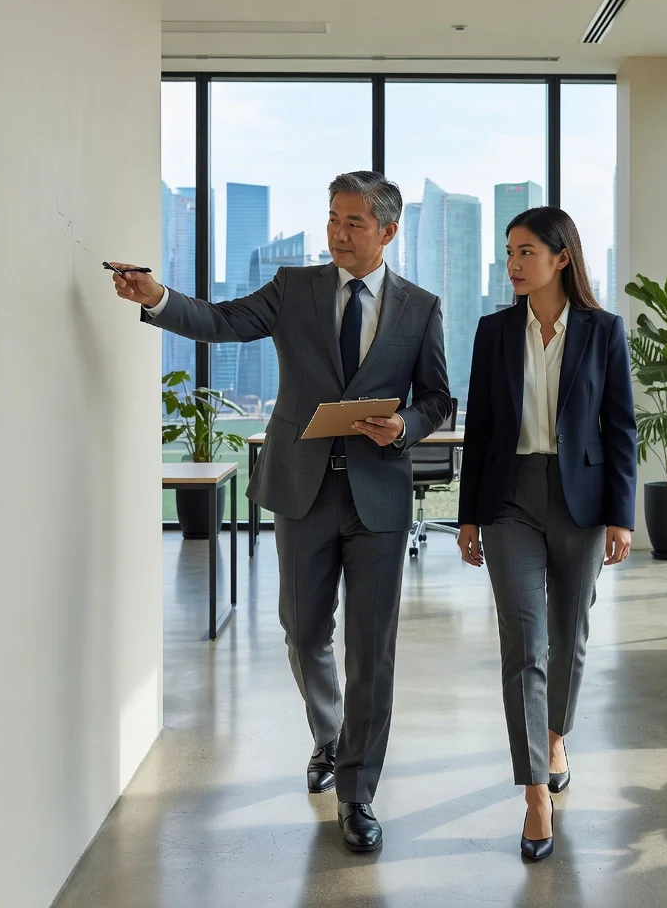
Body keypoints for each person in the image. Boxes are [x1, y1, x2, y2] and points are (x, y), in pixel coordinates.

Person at [111, 170, 452, 853]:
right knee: (302, 631)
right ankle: (330, 734)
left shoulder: (421, 306)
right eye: (333, 218)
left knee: (373, 652)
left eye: (355, 222)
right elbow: (224, 321)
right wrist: (157, 298)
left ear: (388, 231)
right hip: (302, 490)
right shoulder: (295, 289)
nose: (338, 232)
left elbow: (438, 398)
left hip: (379, 496)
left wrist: (406, 427)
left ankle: (358, 791)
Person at [456, 206, 637, 862]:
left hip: (583, 502)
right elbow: (480, 429)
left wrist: (622, 513)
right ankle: (535, 792)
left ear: (562, 257)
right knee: (524, 644)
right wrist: (469, 515)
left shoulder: (603, 331)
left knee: (570, 637)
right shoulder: (494, 332)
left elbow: (620, 428)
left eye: (525, 251)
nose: (512, 263)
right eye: (509, 252)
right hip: (510, 500)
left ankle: (557, 734)